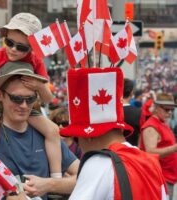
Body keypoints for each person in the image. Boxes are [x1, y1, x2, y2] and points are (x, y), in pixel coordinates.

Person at [0, 62, 78, 200]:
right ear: (0, 95)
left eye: (30, 99)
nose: (24, 106)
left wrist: (49, 184)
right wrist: (6, 187)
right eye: (17, 98)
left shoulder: (47, 136)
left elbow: (86, 176)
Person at [0, 13, 61, 178]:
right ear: (5, 38)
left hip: (23, 106)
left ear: (32, 47)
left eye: (21, 47)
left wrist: (39, 86)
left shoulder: (36, 61)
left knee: (53, 130)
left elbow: (48, 98)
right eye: (10, 43)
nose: (13, 49)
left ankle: (56, 177)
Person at [61, 68, 168, 200]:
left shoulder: (98, 163)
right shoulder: (152, 162)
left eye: (77, 138)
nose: (79, 146)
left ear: (89, 136)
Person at [140, 93, 177, 200]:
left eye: (172, 110)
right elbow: (150, 153)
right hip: (159, 179)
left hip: (167, 178)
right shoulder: (151, 126)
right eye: (166, 110)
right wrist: (174, 148)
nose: (169, 113)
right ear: (156, 108)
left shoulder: (162, 123)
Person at [123, 78, 142, 146]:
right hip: (132, 152)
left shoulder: (111, 112)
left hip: (112, 153)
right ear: (131, 93)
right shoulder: (139, 113)